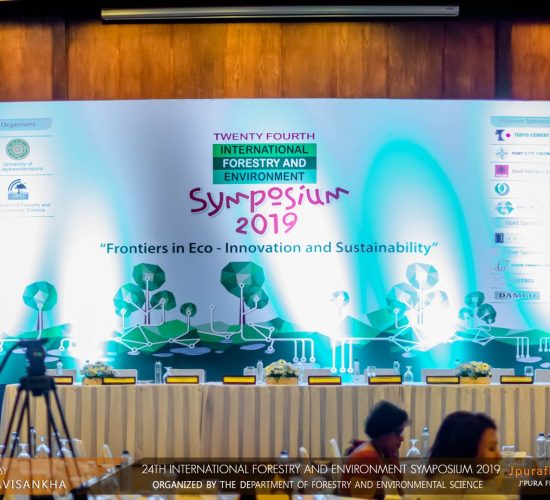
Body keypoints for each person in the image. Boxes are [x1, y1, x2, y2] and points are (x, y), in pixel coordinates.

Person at [340, 400, 409, 499]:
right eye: (397, 432)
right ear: (382, 432)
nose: (402, 438)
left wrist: (393, 456)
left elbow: (398, 484)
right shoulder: (366, 457)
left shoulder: (380, 451)